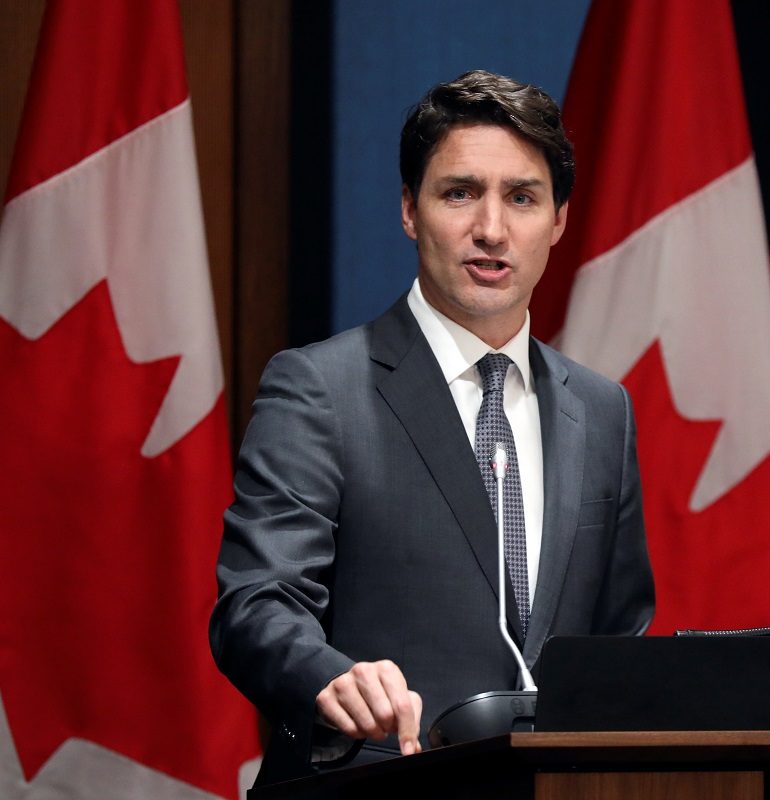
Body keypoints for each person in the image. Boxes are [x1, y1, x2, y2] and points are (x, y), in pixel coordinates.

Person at [209, 69, 654, 785]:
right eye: (460, 193)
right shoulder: (319, 387)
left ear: (559, 220)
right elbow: (257, 605)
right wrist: (332, 678)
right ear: (411, 210)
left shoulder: (602, 411)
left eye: (521, 197)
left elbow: (618, 639)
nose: (491, 229)